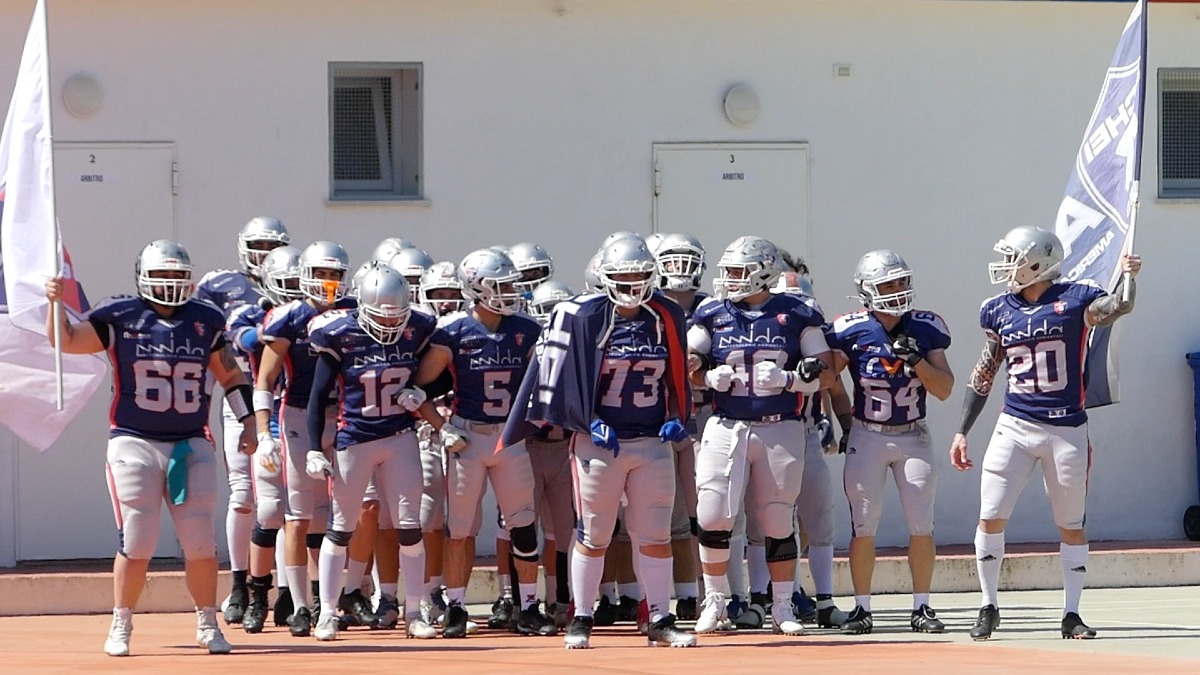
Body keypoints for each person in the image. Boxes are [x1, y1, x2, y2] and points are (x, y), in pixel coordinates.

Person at [47, 239, 252, 656]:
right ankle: (122, 621)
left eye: (178, 276)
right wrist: (54, 304)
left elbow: (231, 376)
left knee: (199, 542)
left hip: (190, 441)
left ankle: (207, 622)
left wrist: (248, 421)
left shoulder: (205, 319)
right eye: (163, 275)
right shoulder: (120, 314)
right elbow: (67, 341)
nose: (171, 283)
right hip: (134, 439)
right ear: (143, 277)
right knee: (137, 539)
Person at [950, 226, 1140, 641]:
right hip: (1014, 425)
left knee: (1071, 524)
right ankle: (988, 605)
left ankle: (1072, 614)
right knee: (990, 516)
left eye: (1014, 259)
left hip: (1066, 428)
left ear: (1038, 263)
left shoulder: (1076, 298)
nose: (1006, 267)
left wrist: (1129, 276)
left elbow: (1118, 307)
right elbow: (985, 372)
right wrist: (962, 430)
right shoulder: (998, 309)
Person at [520, 237, 697, 649]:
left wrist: (676, 417)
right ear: (605, 277)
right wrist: (588, 420)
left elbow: (675, 376)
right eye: (623, 275)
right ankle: (581, 616)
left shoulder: (666, 315)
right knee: (594, 533)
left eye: (639, 274)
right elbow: (564, 381)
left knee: (654, 534)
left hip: (651, 440)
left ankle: (659, 616)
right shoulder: (585, 317)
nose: (632, 282)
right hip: (601, 443)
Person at [689, 236, 833, 637]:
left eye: (738, 273)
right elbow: (686, 362)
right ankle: (715, 601)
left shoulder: (796, 312)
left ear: (763, 273)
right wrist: (704, 375)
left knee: (776, 518)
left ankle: (782, 604)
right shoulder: (713, 312)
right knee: (714, 514)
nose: (730, 281)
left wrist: (790, 379)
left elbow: (826, 369)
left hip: (779, 426)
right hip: (726, 424)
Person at [410, 248, 555, 638]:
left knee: (523, 525)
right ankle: (456, 607)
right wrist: (442, 427)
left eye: (511, 284)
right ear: (477, 287)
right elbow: (416, 390)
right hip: (468, 437)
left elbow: (547, 383)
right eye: (501, 285)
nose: (510, 291)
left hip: (509, 438)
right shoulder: (453, 330)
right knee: (460, 529)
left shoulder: (527, 328)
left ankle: (528, 606)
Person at [304, 266, 439, 641]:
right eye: (381, 314)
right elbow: (318, 396)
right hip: (355, 439)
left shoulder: (419, 328)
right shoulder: (339, 334)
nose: (388, 322)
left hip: (399, 437)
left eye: (395, 315)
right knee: (342, 527)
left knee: (409, 527)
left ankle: (414, 612)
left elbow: (441, 369)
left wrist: (420, 390)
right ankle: (327, 612)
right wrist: (315, 448)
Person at [825, 249, 954, 635]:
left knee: (921, 524)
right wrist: (838, 420)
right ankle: (862, 608)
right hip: (868, 433)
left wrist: (916, 361)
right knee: (863, 525)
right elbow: (827, 380)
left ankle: (922, 607)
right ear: (867, 290)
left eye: (901, 282)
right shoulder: (850, 329)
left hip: (913, 434)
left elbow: (945, 388)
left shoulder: (926, 325)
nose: (897, 290)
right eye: (888, 284)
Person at [193, 216, 289, 626]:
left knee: (287, 501)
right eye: (259, 246)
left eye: (272, 247)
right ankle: (238, 584)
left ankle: (287, 590)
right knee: (243, 494)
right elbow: (201, 341)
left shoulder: (294, 278)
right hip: (242, 395)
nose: (265, 255)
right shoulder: (220, 286)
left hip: (286, 397)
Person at [253, 240, 352, 637]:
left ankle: (333, 599)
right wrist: (263, 433)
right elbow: (265, 379)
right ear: (305, 275)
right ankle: (299, 605)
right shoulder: (288, 318)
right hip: (296, 415)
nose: (329, 282)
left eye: (335, 275)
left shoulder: (353, 314)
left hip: (344, 416)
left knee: (340, 514)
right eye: (322, 273)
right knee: (297, 514)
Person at [228, 244, 304, 633]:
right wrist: (277, 325)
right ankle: (256, 593)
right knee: (267, 510)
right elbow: (243, 340)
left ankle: (297, 596)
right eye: (288, 283)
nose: (296, 289)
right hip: (267, 418)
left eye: (299, 282)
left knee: (307, 514)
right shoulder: (254, 313)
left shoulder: (313, 317)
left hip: (306, 421)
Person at [653, 233, 708, 621]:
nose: (678, 270)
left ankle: (709, 593)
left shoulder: (712, 309)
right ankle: (679, 594)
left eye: (686, 260)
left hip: (703, 417)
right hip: (658, 418)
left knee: (703, 513)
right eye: (670, 261)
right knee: (665, 515)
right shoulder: (649, 308)